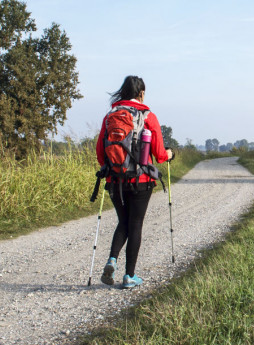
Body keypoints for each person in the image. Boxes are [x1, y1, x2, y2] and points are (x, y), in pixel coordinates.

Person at [96, 76, 173, 288]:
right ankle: (129, 276)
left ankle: (112, 260)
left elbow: (100, 154)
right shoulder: (147, 116)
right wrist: (169, 154)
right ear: (141, 93)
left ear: (123, 92)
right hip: (141, 180)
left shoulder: (110, 116)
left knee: (123, 221)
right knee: (135, 224)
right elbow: (159, 154)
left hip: (115, 179)